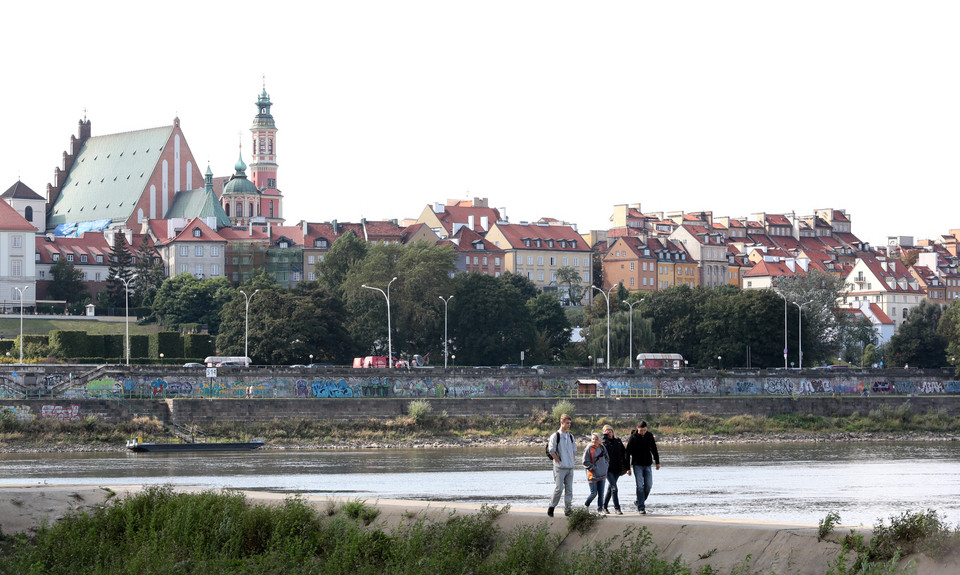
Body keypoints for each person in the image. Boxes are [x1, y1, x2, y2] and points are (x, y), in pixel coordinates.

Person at [624, 420, 660, 514]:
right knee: (640, 486)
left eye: (644, 430)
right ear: (637, 428)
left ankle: (639, 501)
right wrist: (627, 468)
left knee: (648, 486)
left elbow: (654, 449)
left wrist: (657, 462)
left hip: (648, 464)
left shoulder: (649, 435)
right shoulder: (633, 437)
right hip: (637, 465)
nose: (643, 432)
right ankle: (641, 508)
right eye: (641, 430)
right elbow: (627, 453)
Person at [546, 413, 576, 517]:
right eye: (567, 423)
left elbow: (574, 450)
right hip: (559, 468)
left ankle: (568, 510)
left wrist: (572, 461)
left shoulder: (571, 436)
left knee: (569, 490)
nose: (569, 425)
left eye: (570, 423)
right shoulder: (556, 436)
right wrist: (558, 460)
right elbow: (551, 450)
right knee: (559, 489)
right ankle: (551, 506)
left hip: (570, 468)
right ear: (561, 423)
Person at [601, 424, 628, 515]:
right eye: (606, 431)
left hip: (617, 469)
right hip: (608, 470)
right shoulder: (604, 443)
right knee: (614, 488)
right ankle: (617, 508)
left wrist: (627, 468)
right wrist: (604, 437)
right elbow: (604, 448)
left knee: (610, 488)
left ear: (613, 432)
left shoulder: (618, 441)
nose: (609, 432)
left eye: (610, 431)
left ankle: (604, 506)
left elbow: (624, 455)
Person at [582, 432, 609, 513]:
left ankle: (600, 510)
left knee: (601, 494)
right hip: (592, 475)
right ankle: (586, 505)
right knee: (594, 494)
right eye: (593, 439)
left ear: (599, 440)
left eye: (596, 439)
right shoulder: (589, 448)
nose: (594, 441)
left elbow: (607, 458)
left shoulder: (602, 447)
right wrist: (594, 468)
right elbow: (585, 462)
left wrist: (605, 466)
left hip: (603, 474)